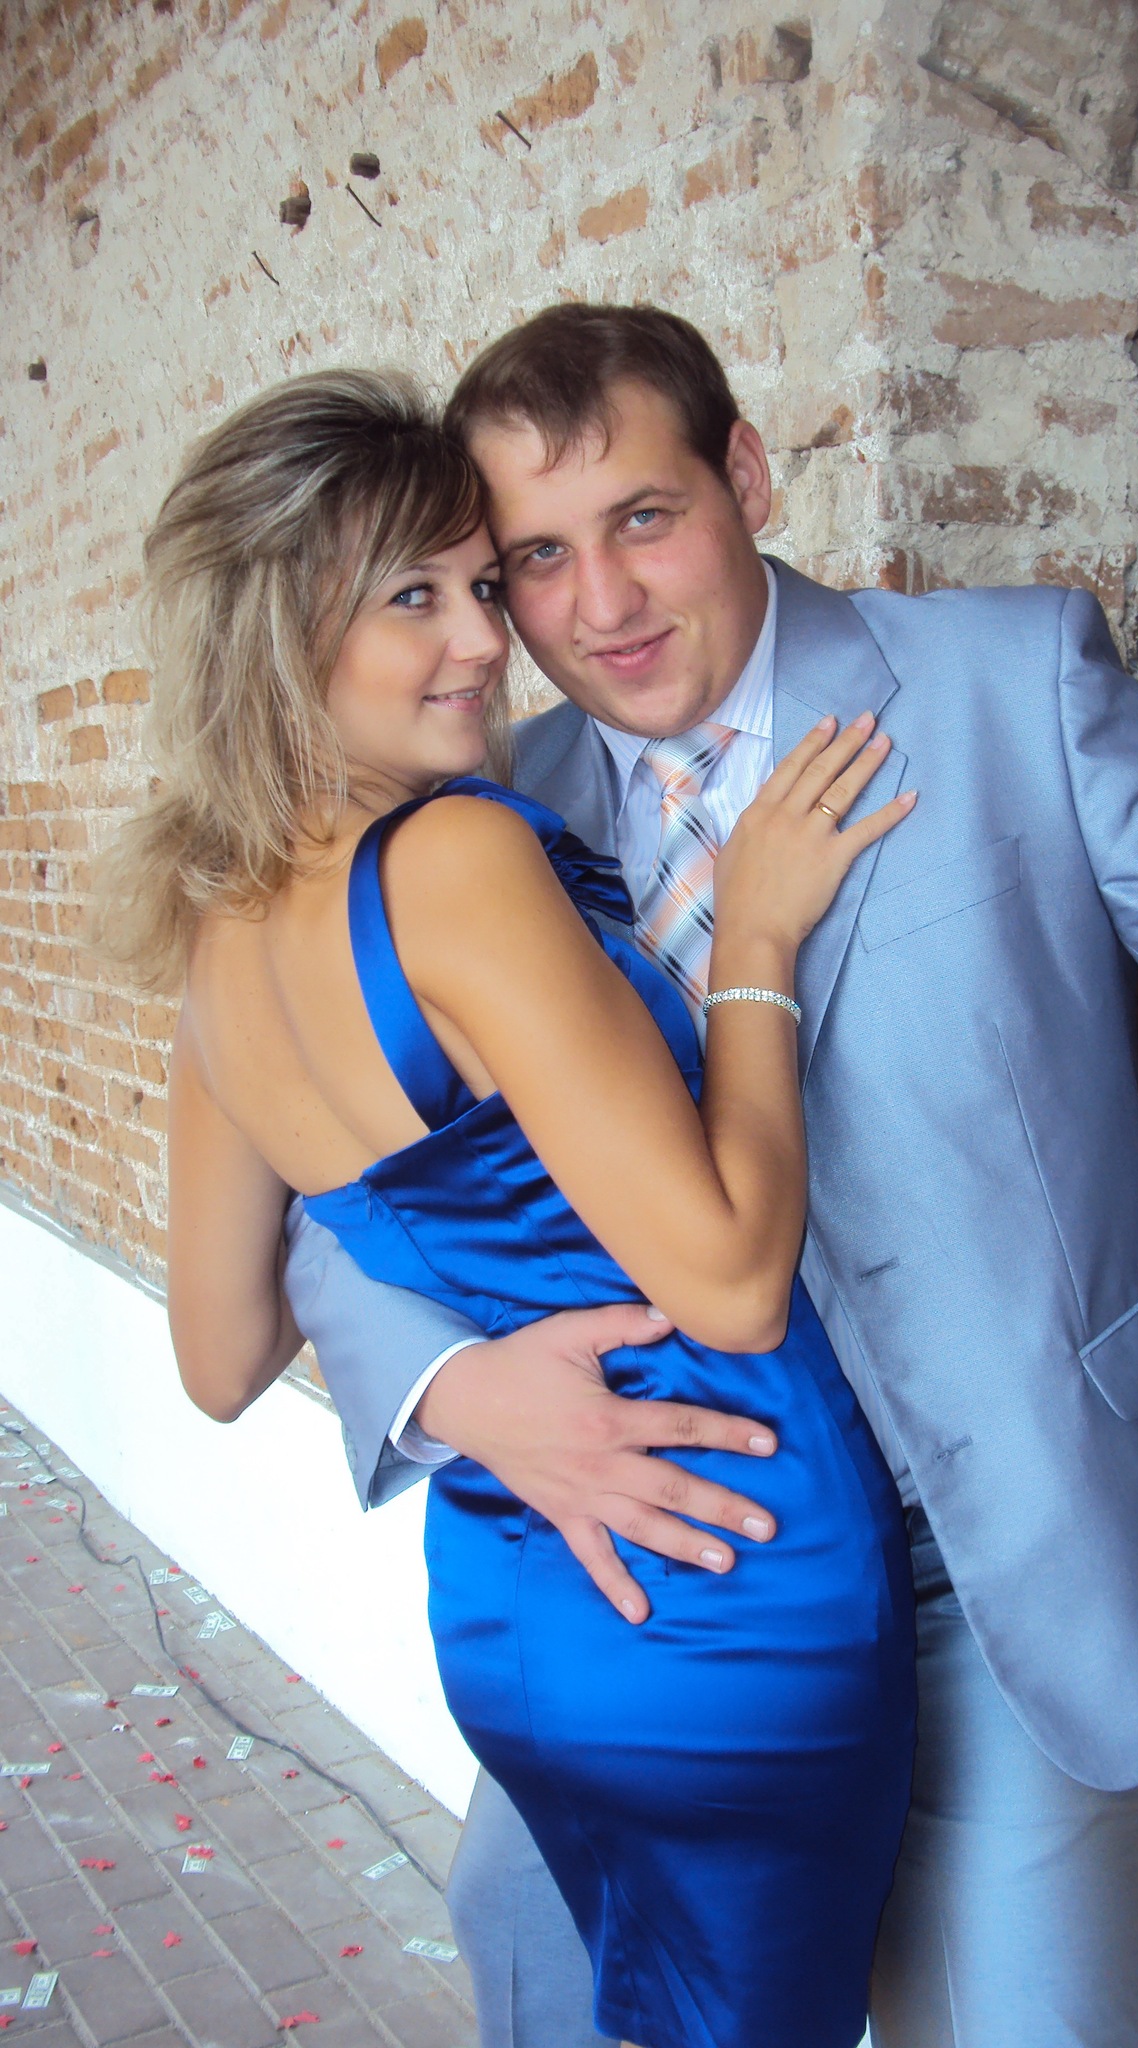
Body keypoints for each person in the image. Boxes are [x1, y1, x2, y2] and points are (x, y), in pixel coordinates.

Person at [281, 305, 1138, 2048]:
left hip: (1001, 1552)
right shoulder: (486, 816)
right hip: (676, 1579)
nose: (602, 605)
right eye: (537, 558)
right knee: (557, 1996)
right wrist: (452, 1390)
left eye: (644, 517)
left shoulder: (1005, 683)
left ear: (746, 474)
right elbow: (349, 1191)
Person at [102, 366, 922, 2048]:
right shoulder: (457, 859)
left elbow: (218, 1355)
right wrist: (757, 939)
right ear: (280, 633)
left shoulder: (214, 936)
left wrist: (461, 1380)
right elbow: (731, 1284)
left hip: (513, 1597)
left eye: (483, 586)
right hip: (727, 1559)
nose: (486, 640)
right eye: (413, 598)